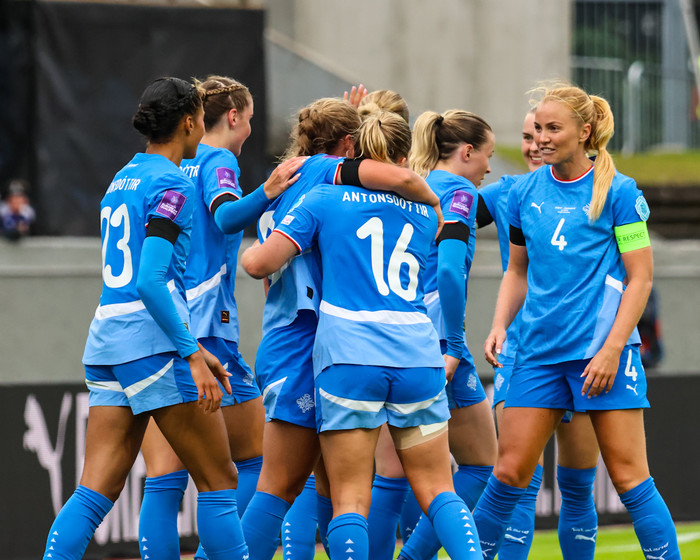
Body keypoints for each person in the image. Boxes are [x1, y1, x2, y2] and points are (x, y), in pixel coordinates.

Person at [241, 109, 482, 560]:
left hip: (347, 355)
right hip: (418, 353)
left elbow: (258, 264)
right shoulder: (425, 211)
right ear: (405, 156)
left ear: (354, 151)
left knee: (347, 497)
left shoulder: (323, 198)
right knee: (439, 489)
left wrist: (255, 241)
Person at [42, 77, 248, 560]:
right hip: (153, 344)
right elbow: (151, 281)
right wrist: (192, 353)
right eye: (201, 119)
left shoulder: (122, 177)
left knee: (94, 492)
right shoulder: (172, 183)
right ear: (188, 122)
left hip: (107, 344)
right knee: (219, 480)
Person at [473, 82, 680, 560]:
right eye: (537, 129)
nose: (541, 139)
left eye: (553, 128)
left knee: (630, 480)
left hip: (601, 357)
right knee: (508, 476)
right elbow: (517, 270)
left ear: (584, 132)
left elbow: (641, 278)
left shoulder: (620, 192)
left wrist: (612, 349)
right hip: (537, 355)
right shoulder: (522, 192)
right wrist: (500, 324)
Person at [136, 75, 305, 560]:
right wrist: (269, 191)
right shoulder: (219, 159)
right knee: (255, 461)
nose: (249, 130)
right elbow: (228, 217)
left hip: (159, 323)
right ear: (233, 117)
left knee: (164, 476)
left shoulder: (165, 163)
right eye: (249, 119)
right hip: (208, 325)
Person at [476, 108, 600, 560]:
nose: (535, 144)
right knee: (517, 480)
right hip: (523, 351)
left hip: (583, 351)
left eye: (545, 132)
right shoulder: (509, 191)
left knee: (579, 486)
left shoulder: (603, 188)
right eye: (528, 136)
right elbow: (440, 207)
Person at [396, 109, 499, 560]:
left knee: (391, 474)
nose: (489, 167)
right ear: (468, 152)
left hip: (395, 335)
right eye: (488, 155)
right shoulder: (458, 191)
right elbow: (450, 272)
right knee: (480, 464)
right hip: (439, 341)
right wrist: (456, 344)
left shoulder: (414, 183)